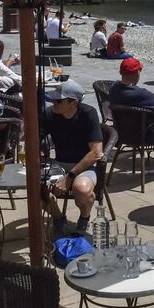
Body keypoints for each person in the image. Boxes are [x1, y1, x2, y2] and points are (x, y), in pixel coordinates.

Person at [42, 80, 104, 233]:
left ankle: (84, 218)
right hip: (58, 164)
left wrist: (69, 177)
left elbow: (96, 152)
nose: (53, 102)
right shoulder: (50, 114)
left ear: (74, 103)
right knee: (37, 189)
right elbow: (35, 138)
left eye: (58, 100)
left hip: (85, 166)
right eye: (53, 99)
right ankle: (58, 217)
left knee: (81, 189)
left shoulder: (88, 114)